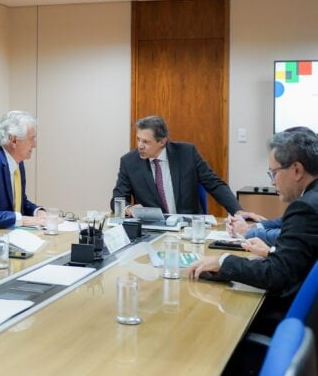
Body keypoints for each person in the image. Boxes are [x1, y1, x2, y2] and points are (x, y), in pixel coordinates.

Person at [189, 129, 318, 297]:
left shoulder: (305, 207)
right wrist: (271, 253)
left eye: (274, 173)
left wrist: (223, 261)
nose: (272, 182)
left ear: (296, 170)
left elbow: (276, 275)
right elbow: (300, 259)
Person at [111, 116, 243, 216]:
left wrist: (237, 211)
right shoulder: (129, 162)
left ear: (162, 141)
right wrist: (128, 209)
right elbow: (118, 198)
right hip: (153, 229)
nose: (140, 146)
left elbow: (215, 184)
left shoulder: (187, 154)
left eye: (146, 142)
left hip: (188, 227)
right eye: (138, 139)